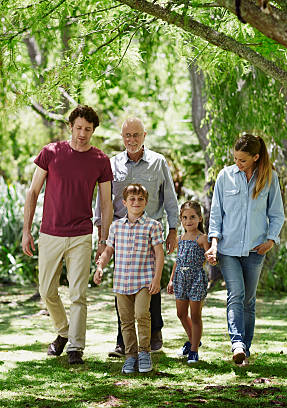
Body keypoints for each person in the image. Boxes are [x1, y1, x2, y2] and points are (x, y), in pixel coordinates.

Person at [22, 105, 113, 365]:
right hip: (49, 232)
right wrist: (26, 231)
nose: (82, 133)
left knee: (78, 294)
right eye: (79, 128)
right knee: (46, 290)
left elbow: (106, 204)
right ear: (70, 126)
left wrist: (103, 240)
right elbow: (33, 193)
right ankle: (63, 331)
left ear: (93, 130)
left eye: (88, 129)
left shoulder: (100, 160)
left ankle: (76, 347)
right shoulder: (51, 152)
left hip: (82, 235)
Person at [93, 117, 179, 356]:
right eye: (127, 136)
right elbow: (103, 201)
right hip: (122, 234)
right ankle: (123, 341)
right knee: (123, 285)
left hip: (151, 233)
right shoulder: (113, 164)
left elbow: (170, 198)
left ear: (144, 136)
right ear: (123, 138)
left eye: (136, 135)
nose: (131, 140)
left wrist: (173, 229)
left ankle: (154, 332)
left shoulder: (158, 162)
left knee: (152, 282)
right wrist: (102, 235)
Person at [205, 133, 284, 366]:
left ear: (256, 157)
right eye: (236, 158)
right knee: (236, 294)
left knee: (249, 300)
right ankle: (237, 343)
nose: (238, 163)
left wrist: (271, 240)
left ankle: (244, 353)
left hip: (255, 250)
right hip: (228, 250)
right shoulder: (224, 176)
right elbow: (216, 214)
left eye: (243, 160)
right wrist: (214, 244)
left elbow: (277, 214)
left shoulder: (270, 179)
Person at [94, 184, 164, 373]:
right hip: (121, 282)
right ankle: (130, 356)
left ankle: (144, 353)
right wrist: (100, 266)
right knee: (125, 320)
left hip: (144, 281)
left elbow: (159, 254)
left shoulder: (153, 226)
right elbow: (109, 250)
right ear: (124, 202)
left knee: (142, 315)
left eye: (140, 199)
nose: (136, 202)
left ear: (146, 202)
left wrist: (157, 279)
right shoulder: (116, 226)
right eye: (132, 199)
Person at [167, 200, 212, 364]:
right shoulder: (180, 239)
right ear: (181, 219)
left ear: (200, 218)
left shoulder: (202, 238)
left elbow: (210, 257)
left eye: (192, 217)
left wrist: (212, 258)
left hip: (196, 279)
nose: (188, 221)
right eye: (185, 217)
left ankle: (193, 350)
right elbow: (177, 261)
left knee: (195, 316)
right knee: (180, 313)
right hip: (180, 279)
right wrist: (171, 280)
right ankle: (193, 339)